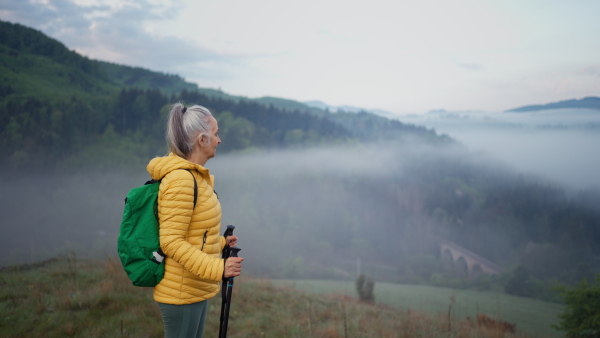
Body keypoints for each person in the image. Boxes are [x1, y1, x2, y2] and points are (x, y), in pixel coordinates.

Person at [146, 103, 243, 338]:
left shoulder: (197, 177)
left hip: (195, 287)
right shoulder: (181, 180)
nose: (219, 140)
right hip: (181, 291)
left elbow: (193, 235)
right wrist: (218, 268)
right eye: (216, 133)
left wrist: (220, 243)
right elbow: (171, 241)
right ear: (201, 139)